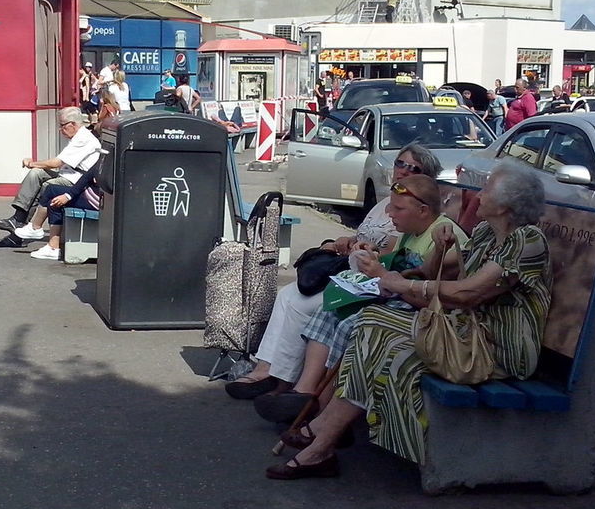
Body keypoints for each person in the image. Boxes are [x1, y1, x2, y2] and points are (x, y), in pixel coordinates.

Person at [266, 158, 551, 480]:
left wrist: (404, 284)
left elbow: (470, 293)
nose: (479, 196)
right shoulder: (486, 232)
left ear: (506, 204)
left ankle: (321, 439)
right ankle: (323, 437)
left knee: (386, 343)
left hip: (497, 347)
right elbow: (434, 273)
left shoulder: (527, 240)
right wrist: (441, 249)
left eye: (487, 190)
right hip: (464, 331)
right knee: (370, 322)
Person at [247, 173, 469, 424]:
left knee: (350, 325)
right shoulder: (411, 232)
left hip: (429, 318)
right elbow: (399, 271)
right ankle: (305, 393)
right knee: (328, 311)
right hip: (400, 301)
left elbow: (431, 297)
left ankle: (319, 410)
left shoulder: (444, 238)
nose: (390, 213)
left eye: (398, 208)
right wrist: (372, 258)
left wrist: (381, 273)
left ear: (423, 210)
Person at [224, 144, 441, 401]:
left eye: (412, 168)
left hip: (369, 280)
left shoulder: (412, 214)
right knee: (287, 295)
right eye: (400, 163)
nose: (403, 170)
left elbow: (396, 260)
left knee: (306, 307)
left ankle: (285, 381)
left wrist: (367, 254)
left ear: (424, 176)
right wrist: (345, 241)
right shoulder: (386, 202)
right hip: (351, 271)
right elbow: (363, 235)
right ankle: (267, 367)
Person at [0, 107, 101, 232]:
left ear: (73, 124)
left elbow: (56, 163)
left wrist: (31, 163)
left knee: (47, 186)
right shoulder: (76, 137)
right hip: (68, 174)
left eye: (62, 125)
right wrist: (34, 166)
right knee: (36, 173)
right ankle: (18, 217)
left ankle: (20, 227)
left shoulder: (83, 139)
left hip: (78, 181)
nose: (60, 129)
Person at [14, 160, 103, 261]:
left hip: (96, 200)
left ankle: (35, 228)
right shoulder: (107, 155)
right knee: (54, 201)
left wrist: (68, 196)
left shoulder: (113, 157)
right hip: (91, 193)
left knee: (51, 191)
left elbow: (96, 178)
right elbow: (89, 175)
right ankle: (52, 247)